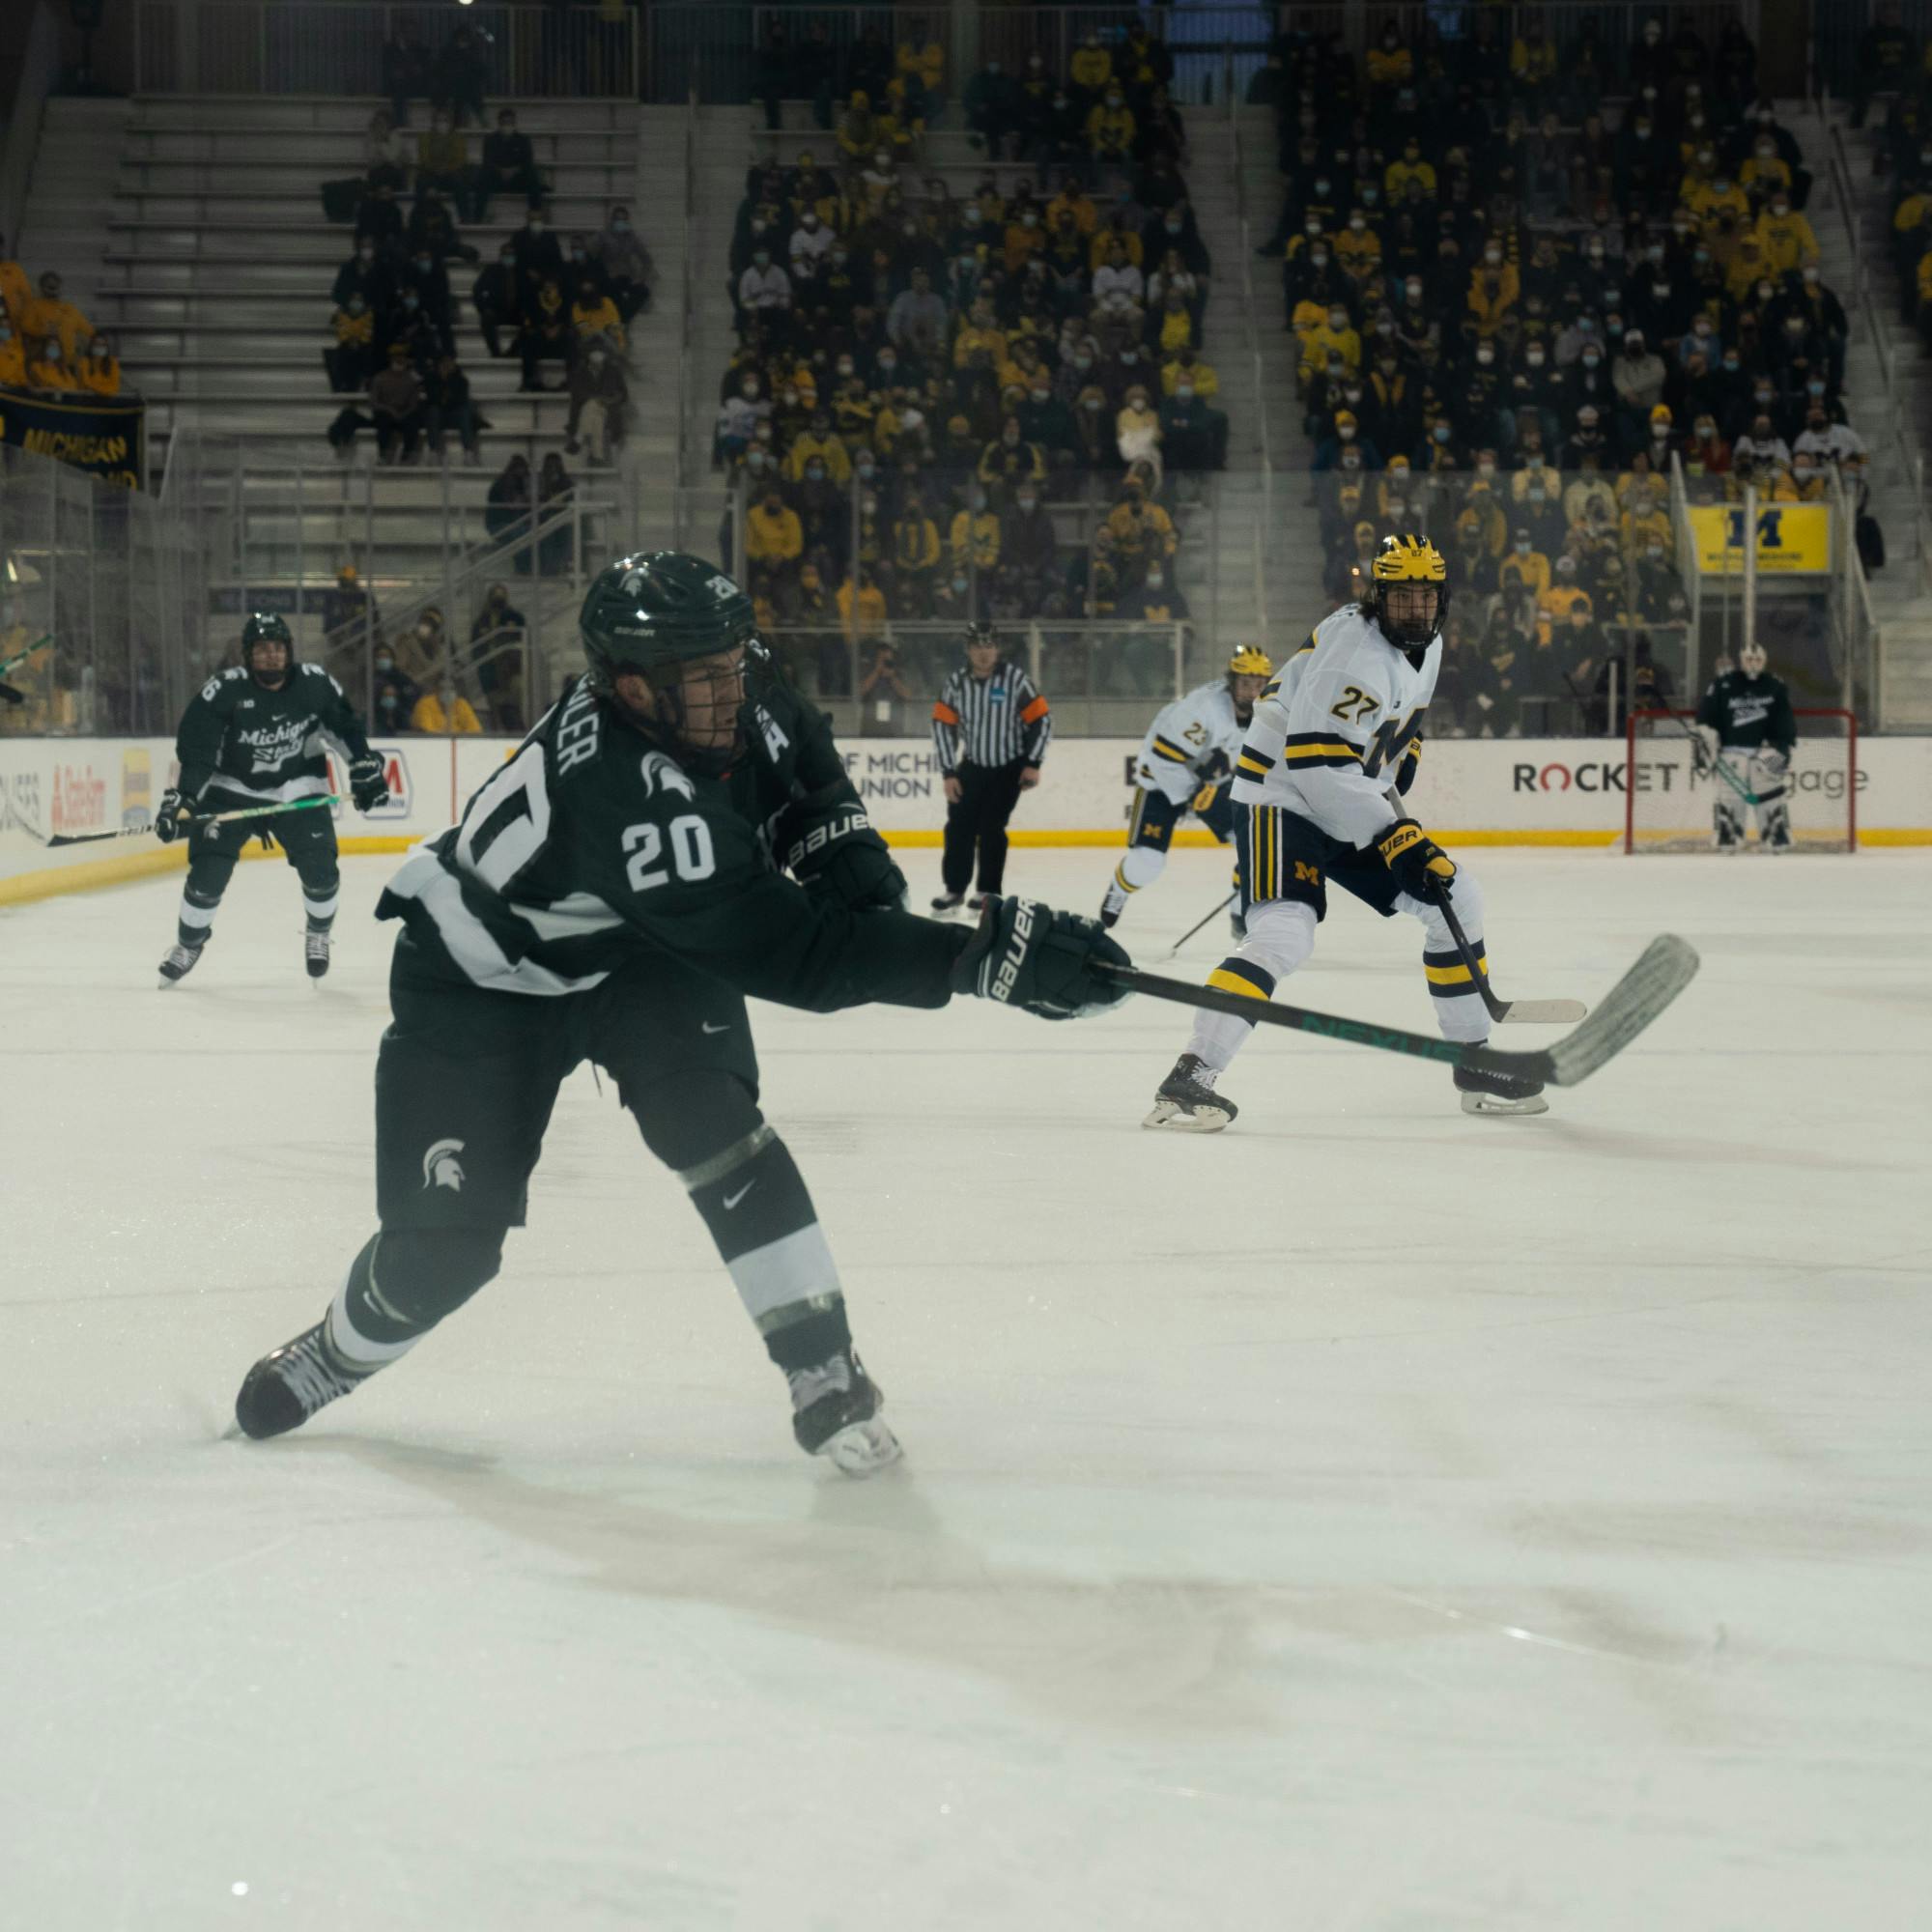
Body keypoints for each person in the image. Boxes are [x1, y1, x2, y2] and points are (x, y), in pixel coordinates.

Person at [227, 553, 1129, 1473]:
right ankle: (337, 1350)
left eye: (735, 663)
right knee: (443, 1260)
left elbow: (806, 771)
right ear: (633, 688)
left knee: (717, 1125)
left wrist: (853, 864)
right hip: (480, 986)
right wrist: (984, 961)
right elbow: (795, 952)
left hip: (637, 950)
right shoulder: (626, 796)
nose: (732, 689)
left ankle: (823, 1370)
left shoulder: (729, 679)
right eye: (706, 677)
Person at [1145, 534, 1547, 1132]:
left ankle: (1475, 1060)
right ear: (1376, 597)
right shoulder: (1352, 653)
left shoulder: (1426, 647)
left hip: (1343, 797)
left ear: (1442, 601)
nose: (1415, 610)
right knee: (1285, 933)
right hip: (1282, 797)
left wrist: (1400, 750)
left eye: (1426, 598)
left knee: (1455, 897)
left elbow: (1385, 728)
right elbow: (1318, 766)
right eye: (1402, 598)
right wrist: (1396, 836)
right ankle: (1191, 1075)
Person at [153, 614, 389, 986]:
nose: (271, 656)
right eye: (262, 649)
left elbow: (345, 727)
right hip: (231, 789)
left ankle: (318, 933)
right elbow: (199, 750)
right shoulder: (224, 690)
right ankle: (189, 943)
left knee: (322, 873)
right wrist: (182, 798)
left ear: (289, 653)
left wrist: (362, 765)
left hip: (298, 789)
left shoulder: (313, 684)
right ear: (248, 655)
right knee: (206, 877)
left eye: (278, 649)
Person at [1098, 647, 1271, 932]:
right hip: (1161, 783)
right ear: (1232, 681)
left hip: (1214, 786)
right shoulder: (1201, 710)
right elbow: (1162, 758)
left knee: (1253, 845)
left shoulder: (1268, 712)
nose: (1253, 692)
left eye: (1259, 684)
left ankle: (1240, 915)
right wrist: (1193, 794)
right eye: (1245, 683)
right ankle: (1119, 889)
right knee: (1148, 863)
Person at [928, 621, 1052, 915]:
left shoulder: (1015, 680)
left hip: (1009, 767)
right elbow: (942, 726)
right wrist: (949, 772)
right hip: (973, 765)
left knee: (991, 827)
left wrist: (1032, 763)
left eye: (989, 645)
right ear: (968, 650)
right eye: (977, 646)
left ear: (997, 649)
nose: (983, 652)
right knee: (958, 825)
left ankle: (988, 891)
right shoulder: (956, 684)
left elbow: (1042, 721)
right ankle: (955, 890)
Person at [1695, 638, 1797, 850]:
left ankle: (1775, 837)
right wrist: (1707, 738)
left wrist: (1782, 748)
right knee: (1730, 798)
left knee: (1771, 796)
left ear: (1764, 661)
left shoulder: (1775, 685)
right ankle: (1729, 837)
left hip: (1765, 752)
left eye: (1758, 659)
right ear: (1741, 660)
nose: (1753, 663)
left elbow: (1785, 720)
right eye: (1749, 659)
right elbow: (1705, 717)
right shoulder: (1724, 683)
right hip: (1731, 753)